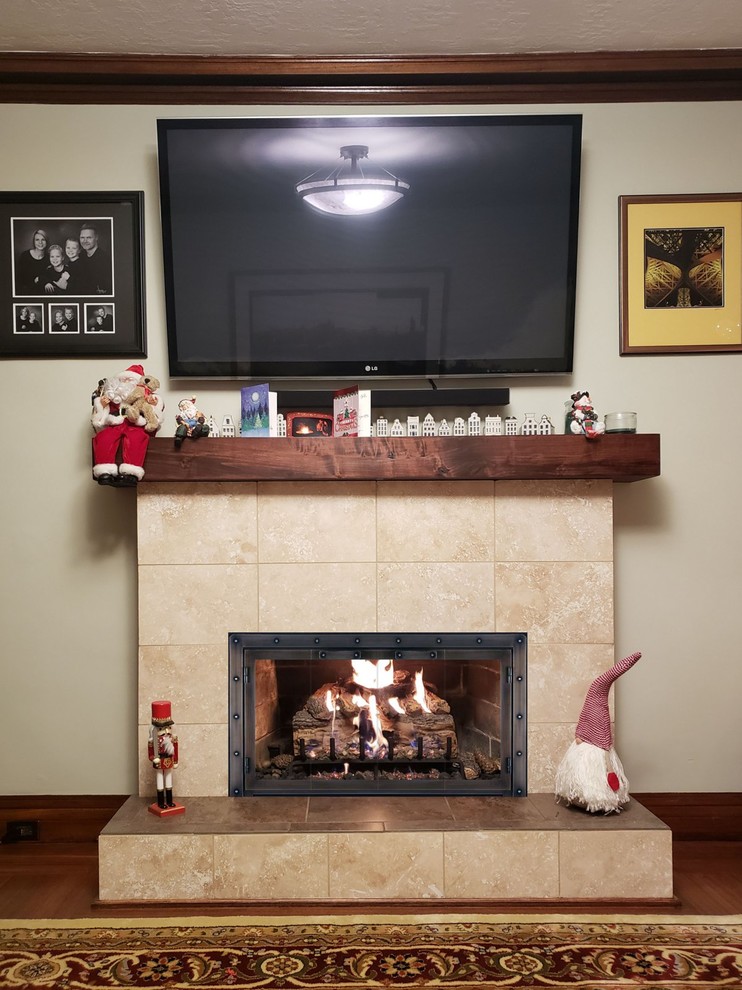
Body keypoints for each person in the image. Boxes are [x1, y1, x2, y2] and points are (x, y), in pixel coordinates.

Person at [90, 363, 165, 485]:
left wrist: (153, 404)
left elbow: (154, 416)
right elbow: (99, 421)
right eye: (124, 379)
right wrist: (102, 405)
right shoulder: (113, 397)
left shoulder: (144, 397)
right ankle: (105, 472)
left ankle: (131, 474)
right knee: (105, 437)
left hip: (135, 424)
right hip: (115, 423)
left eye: (130, 379)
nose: (126, 381)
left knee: (136, 439)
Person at [147, 700, 185, 816]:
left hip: (169, 760)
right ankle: (161, 802)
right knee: (160, 779)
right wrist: (153, 758)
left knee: (168, 779)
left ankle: (169, 801)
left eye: (167, 728)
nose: (165, 732)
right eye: (161, 729)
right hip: (160, 760)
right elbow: (150, 753)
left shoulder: (172, 739)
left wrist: (176, 761)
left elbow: (175, 750)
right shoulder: (153, 741)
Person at [78, 224, 112, 295]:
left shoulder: (105, 259)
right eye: (82, 237)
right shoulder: (81, 255)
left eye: (89, 237)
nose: (85, 241)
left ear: (96, 238)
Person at [15, 228, 49, 294]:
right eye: (37, 240)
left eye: (43, 240)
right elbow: (18, 280)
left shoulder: (50, 258)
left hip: (43, 294)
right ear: (33, 241)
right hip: (27, 294)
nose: (40, 242)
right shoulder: (25, 256)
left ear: (46, 241)